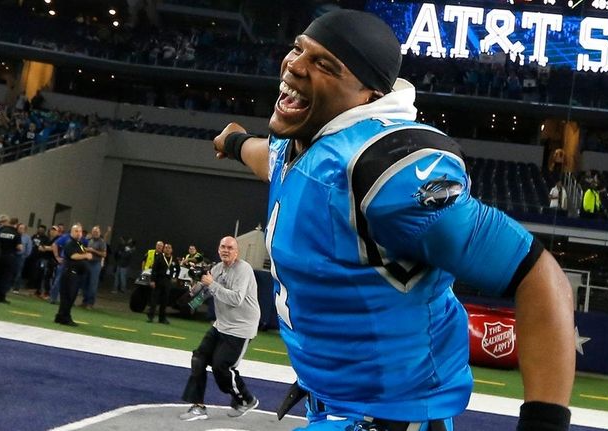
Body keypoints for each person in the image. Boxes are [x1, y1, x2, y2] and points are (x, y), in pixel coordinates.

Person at [211, 10, 574, 431]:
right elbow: (272, 159)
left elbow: (539, 276)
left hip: (388, 418)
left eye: (324, 64)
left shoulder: (386, 170)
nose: (295, 65)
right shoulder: (302, 143)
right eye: (298, 49)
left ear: (367, 94)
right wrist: (235, 141)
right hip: (338, 405)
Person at [180, 236, 260, 421]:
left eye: (230, 247)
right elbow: (206, 291)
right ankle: (198, 406)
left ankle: (245, 399)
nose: (226, 250)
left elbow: (236, 299)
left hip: (240, 328)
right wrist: (192, 298)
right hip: (221, 325)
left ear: (237, 252)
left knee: (221, 367)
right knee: (198, 358)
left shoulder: (244, 269)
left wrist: (211, 284)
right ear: (218, 249)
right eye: (223, 246)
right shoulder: (216, 269)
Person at [54, 224, 93, 326]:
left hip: (76, 274)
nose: (79, 233)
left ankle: (60, 316)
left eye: (80, 231)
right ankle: (65, 318)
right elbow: (74, 256)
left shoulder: (79, 244)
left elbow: (84, 252)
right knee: (68, 297)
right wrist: (86, 255)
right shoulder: (70, 243)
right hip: (70, 274)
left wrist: (87, 254)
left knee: (69, 297)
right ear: (71, 232)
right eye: (76, 231)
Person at [147, 243, 178, 324]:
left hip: (167, 282)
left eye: (169, 248)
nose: (167, 249)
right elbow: (154, 269)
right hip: (158, 280)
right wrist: (152, 280)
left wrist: (175, 277)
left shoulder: (174, 259)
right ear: (164, 249)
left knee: (165, 301)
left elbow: (178, 269)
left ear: (172, 250)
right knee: (154, 300)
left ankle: (162, 318)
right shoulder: (159, 258)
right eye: (166, 248)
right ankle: (151, 316)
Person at [0, 217, 23, 303]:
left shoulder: (1, 230)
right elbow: (19, 247)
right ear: (16, 224)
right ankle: (1, 296)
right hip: (10, 257)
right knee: (6, 277)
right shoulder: (16, 233)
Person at [82, 225, 106, 309]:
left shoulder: (101, 242)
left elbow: (104, 254)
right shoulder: (89, 240)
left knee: (93, 284)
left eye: (97, 232)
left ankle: (90, 303)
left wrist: (93, 251)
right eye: (94, 232)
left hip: (96, 264)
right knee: (85, 283)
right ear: (92, 232)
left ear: (99, 233)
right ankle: (84, 301)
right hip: (88, 263)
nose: (95, 233)